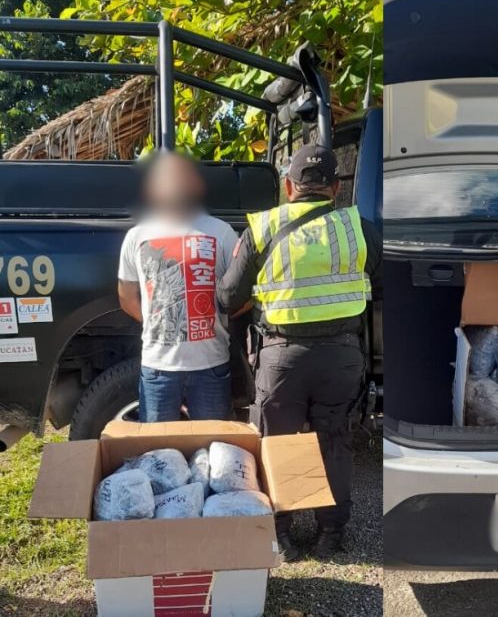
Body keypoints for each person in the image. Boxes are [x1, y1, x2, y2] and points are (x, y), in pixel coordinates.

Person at [218, 144, 382, 561]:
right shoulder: (359, 229)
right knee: (334, 442)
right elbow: (380, 285)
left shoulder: (263, 228)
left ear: (289, 187)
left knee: (279, 444)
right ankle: (330, 535)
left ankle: (282, 536)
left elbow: (228, 295)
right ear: (336, 187)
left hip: (282, 358)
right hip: (342, 357)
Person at [118, 151, 239, 422]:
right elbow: (126, 296)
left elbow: (242, 294)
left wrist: (214, 321)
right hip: (158, 368)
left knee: (212, 443)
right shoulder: (136, 236)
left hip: (211, 365)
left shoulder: (222, 232)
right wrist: (158, 322)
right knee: (157, 444)